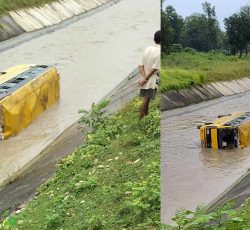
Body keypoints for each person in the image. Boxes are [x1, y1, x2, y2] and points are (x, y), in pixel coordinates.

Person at [138, 30, 160, 119]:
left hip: (146, 78)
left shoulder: (147, 49)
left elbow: (141, 65)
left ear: (154, 39)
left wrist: (144, 78)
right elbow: (153, 69)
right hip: (152, 79)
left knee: (146, 100)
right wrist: (146, 79)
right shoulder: (159, 51)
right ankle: (141, 119)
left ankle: (144, 118)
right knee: (146, 100)